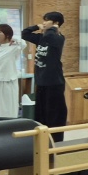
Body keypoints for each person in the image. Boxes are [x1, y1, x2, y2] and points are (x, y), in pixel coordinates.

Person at [23, 12, 67, 140]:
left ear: (56, 23)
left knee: (54, 113)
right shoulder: (41, 38)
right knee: (41, 113)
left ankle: (56, 139)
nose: (43, 23)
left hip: (54, 82)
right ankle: (43, 139)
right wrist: (36, 27)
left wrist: (52, 28)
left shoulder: (58, 37)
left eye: (47, 20)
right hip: (41, 81)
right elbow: (24, 34)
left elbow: (49, 36)